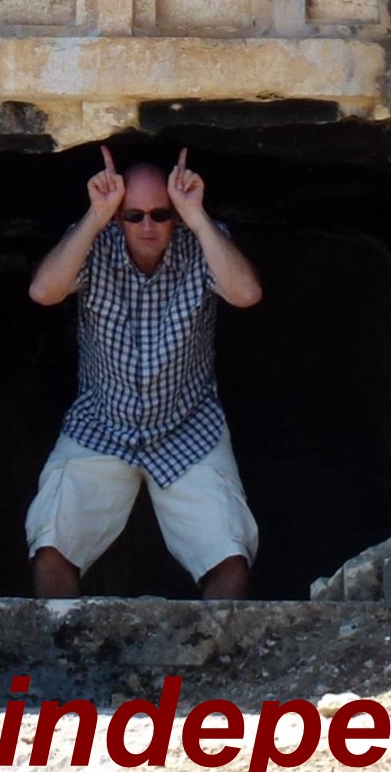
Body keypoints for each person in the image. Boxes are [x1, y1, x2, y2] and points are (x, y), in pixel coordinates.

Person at [24, 145, 264, 599]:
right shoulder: (94, 241)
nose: (148, 226)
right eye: (134, 216)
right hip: (101, 424)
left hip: (188, 426)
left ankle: (211, 669)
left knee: (229, 556)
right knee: (52, 545)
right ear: (119, 217)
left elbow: (246, 293)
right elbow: (44, 291)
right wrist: (96, 216)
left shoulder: (200, 241)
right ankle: (56, 663)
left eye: (160, 213)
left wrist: (195, 215)